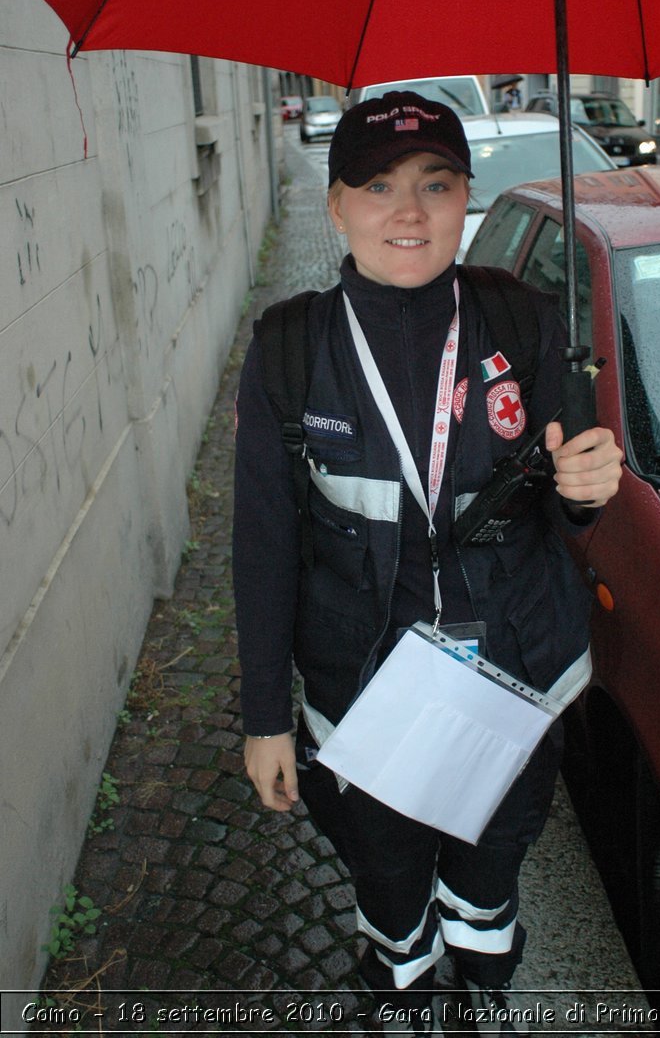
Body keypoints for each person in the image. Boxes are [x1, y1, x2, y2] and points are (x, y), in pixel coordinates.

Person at [233, 92, 623, 1035]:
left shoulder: (525, 323)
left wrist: (588, 484)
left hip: (514, 680)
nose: (409, 213)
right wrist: (262, 720)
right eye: (378, 186)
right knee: (388, 873)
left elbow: (572, 504)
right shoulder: (291, 347)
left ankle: (482, 995)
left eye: (436, 185)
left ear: (466, 198)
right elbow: (264, 541)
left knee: (490, 871)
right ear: (336, 206)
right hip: (363, 694)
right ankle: (402, 987)